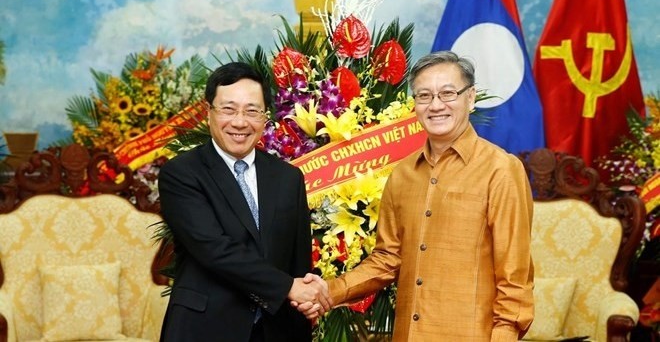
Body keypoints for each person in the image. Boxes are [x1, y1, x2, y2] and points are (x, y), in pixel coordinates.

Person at [299, 51, 534, 340]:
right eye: (424, 96)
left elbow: (515, 275)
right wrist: (329, 291)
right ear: (415, 105)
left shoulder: (501, 170)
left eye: (448, 94)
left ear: (470, 98)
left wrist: (505, 334)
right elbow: (387, 259)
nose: (436, 105)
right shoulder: (403, 175)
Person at [158, 61, 330, 342]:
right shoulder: (182, 173)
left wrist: (306, 297)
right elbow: (214, 249)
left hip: (278, 330)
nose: (240, 122)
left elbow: (298, 261)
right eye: (228, 109)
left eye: (252, 111)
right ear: (208, 113)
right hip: (204, 329)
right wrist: (289, 288)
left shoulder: (288, 177)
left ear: (265, 117)